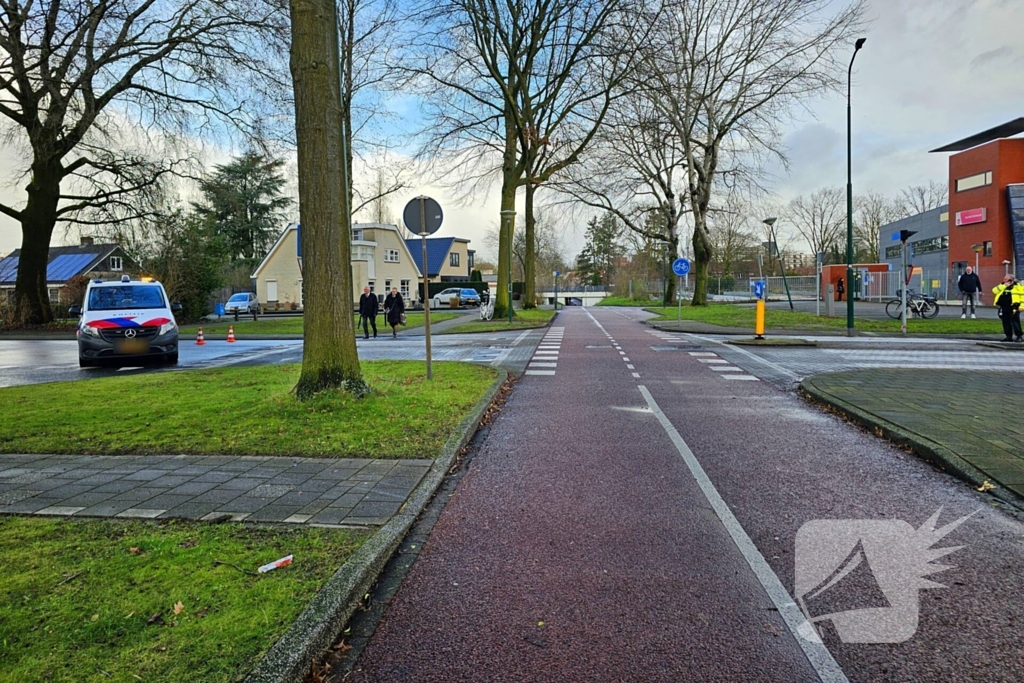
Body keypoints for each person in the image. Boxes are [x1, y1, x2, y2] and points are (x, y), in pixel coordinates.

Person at [991, 274, 1024, 342]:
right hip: (1004, 306)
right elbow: (994, 290)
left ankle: (1019, 336)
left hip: (1014, 306)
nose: (1004, 280)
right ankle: (1008, 336)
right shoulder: (1002, 286)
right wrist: (1004, 285)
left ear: (1012, 280)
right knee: (1005, 322)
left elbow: (1022, 297)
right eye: (1004, 279)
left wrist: (1022, 306)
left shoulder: (1018, 287)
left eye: (1006, 279)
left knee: (1015, 321)